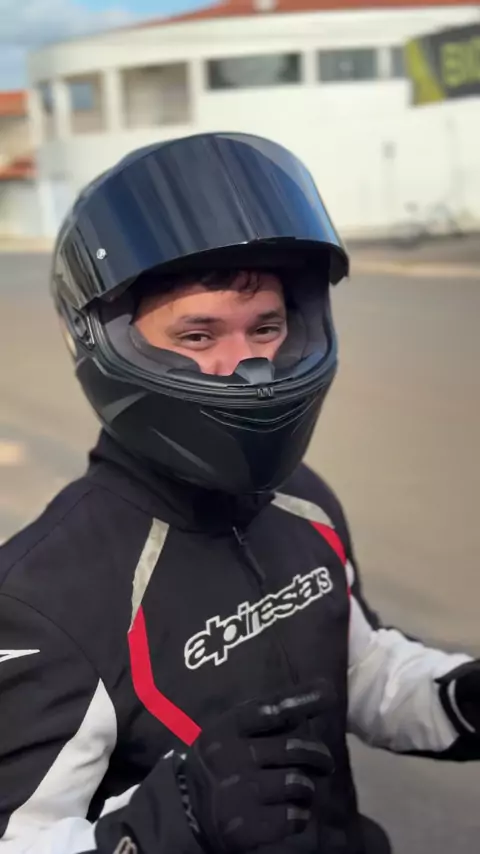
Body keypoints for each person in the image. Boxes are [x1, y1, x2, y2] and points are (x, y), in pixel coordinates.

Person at [0, 133, 479, 854]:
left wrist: (458, 698)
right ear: (111, 344)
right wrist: (171, 821)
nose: (246, 366)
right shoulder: (47, 595)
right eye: (199, 336)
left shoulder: (301, 501)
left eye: (267, 327)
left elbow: (357, 665)